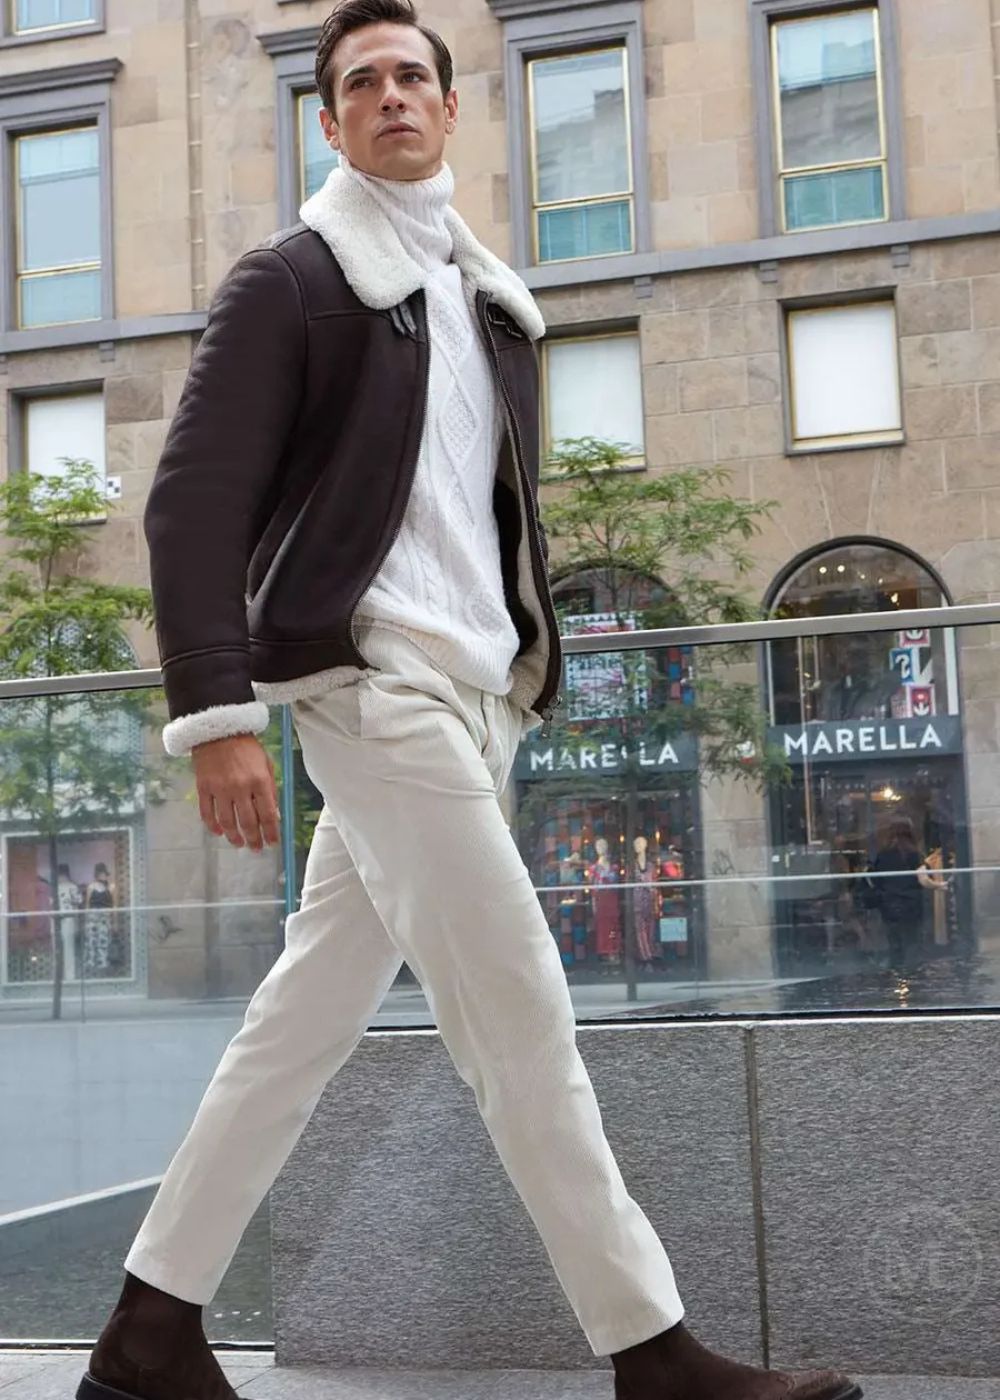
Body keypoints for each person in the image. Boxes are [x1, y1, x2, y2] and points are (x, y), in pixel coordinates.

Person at [79, 6, 861, 1400]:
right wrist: (217, 715)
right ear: (327, 124)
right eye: (360, 83)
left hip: (471, 701)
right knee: (521, 1013)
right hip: (371, 691)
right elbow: (194, 507)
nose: (390, 96)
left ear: (454, 106)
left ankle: (150, 1331)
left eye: (412, 77)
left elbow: (480, 522)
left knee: (296, 1030)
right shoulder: (297, 284)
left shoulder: (488, 305)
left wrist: (522, 667)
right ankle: (650, 1348)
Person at [867, 817, 949, 972]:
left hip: (889, 904)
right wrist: (939, 885)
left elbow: (875, 879)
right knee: (912, 942)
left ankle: (896, 974)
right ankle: (912, 975)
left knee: (894, 941)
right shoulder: (914, 854)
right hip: (911, 904)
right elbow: (923, 879)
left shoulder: (883, 855)